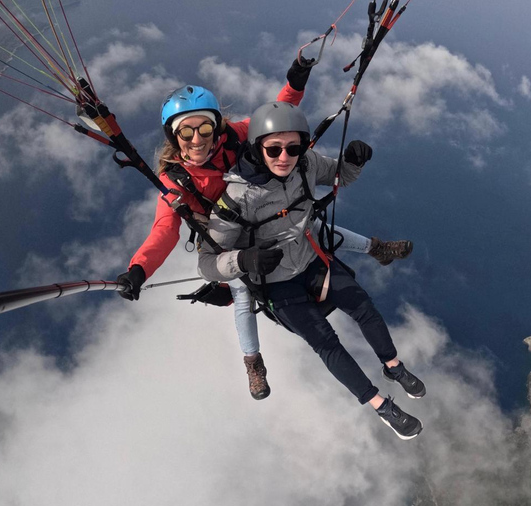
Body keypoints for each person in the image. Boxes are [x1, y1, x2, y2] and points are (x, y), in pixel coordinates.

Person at [117, 63, 413, 401]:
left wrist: (295, 81)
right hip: (227, 237)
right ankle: (253, 361)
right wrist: (139, 270)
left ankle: (376, 249)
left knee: (309, 225)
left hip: (263, 210)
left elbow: (274, 122)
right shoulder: (176, 180)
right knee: (244, 294)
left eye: (204, 128)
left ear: (217, 126)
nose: (197, 139)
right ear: (174, 136)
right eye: (186, 132)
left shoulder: (234, 137)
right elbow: (164, 229)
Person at [197, 101, 426, 440]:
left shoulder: (307, 165)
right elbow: (206, 264)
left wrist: (353, 161)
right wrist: (242, 262)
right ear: (257, 147)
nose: (284, 156)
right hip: (275, 282)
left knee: (364, 306)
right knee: (326, 343)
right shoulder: (237, 197)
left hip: (311, 259)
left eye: (293, 147)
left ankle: (393, 366)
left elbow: (340, 176)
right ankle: (381, 406)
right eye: (274, 148)